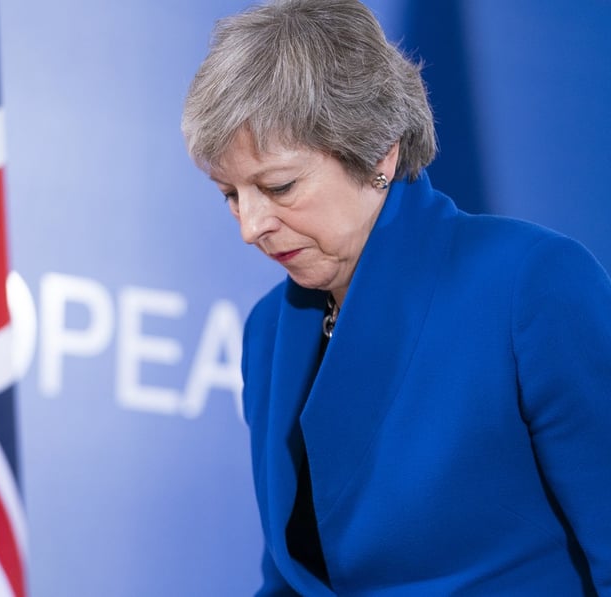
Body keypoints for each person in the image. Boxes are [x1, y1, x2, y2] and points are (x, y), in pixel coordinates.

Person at [181, 0, 611, 594]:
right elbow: (288, 577)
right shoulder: (267, 331)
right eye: (229, 193)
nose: (251, 225)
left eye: (278, 186)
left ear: (379, 154)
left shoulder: (532, 283)